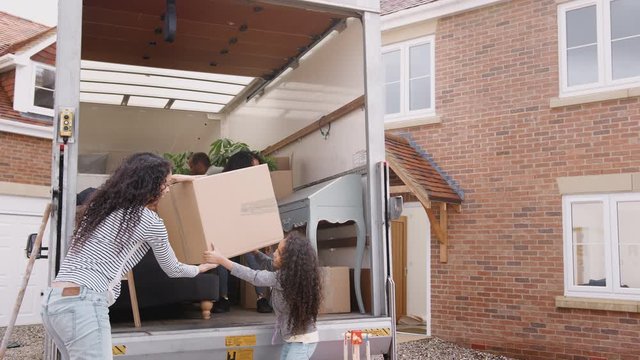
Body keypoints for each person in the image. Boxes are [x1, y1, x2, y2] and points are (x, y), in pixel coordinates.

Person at [41, 152, 217, 360]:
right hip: (84, 302)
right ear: (151, 185)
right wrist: (200, 268)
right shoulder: (149, 222)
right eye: (166, 184)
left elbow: (157, 178)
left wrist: (184, 178)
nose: (169, 190)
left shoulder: (99, 207)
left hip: (54, 302)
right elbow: (173, 268)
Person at [204, 232, 322, 360]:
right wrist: (255, 252)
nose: (274, 253)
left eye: (279, 252)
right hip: (294, 340)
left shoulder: (284, 278)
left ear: (289, 261)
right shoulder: (291, 274)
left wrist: (221, 260)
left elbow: (254, 276)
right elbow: (269, 263)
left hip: (301, 343)